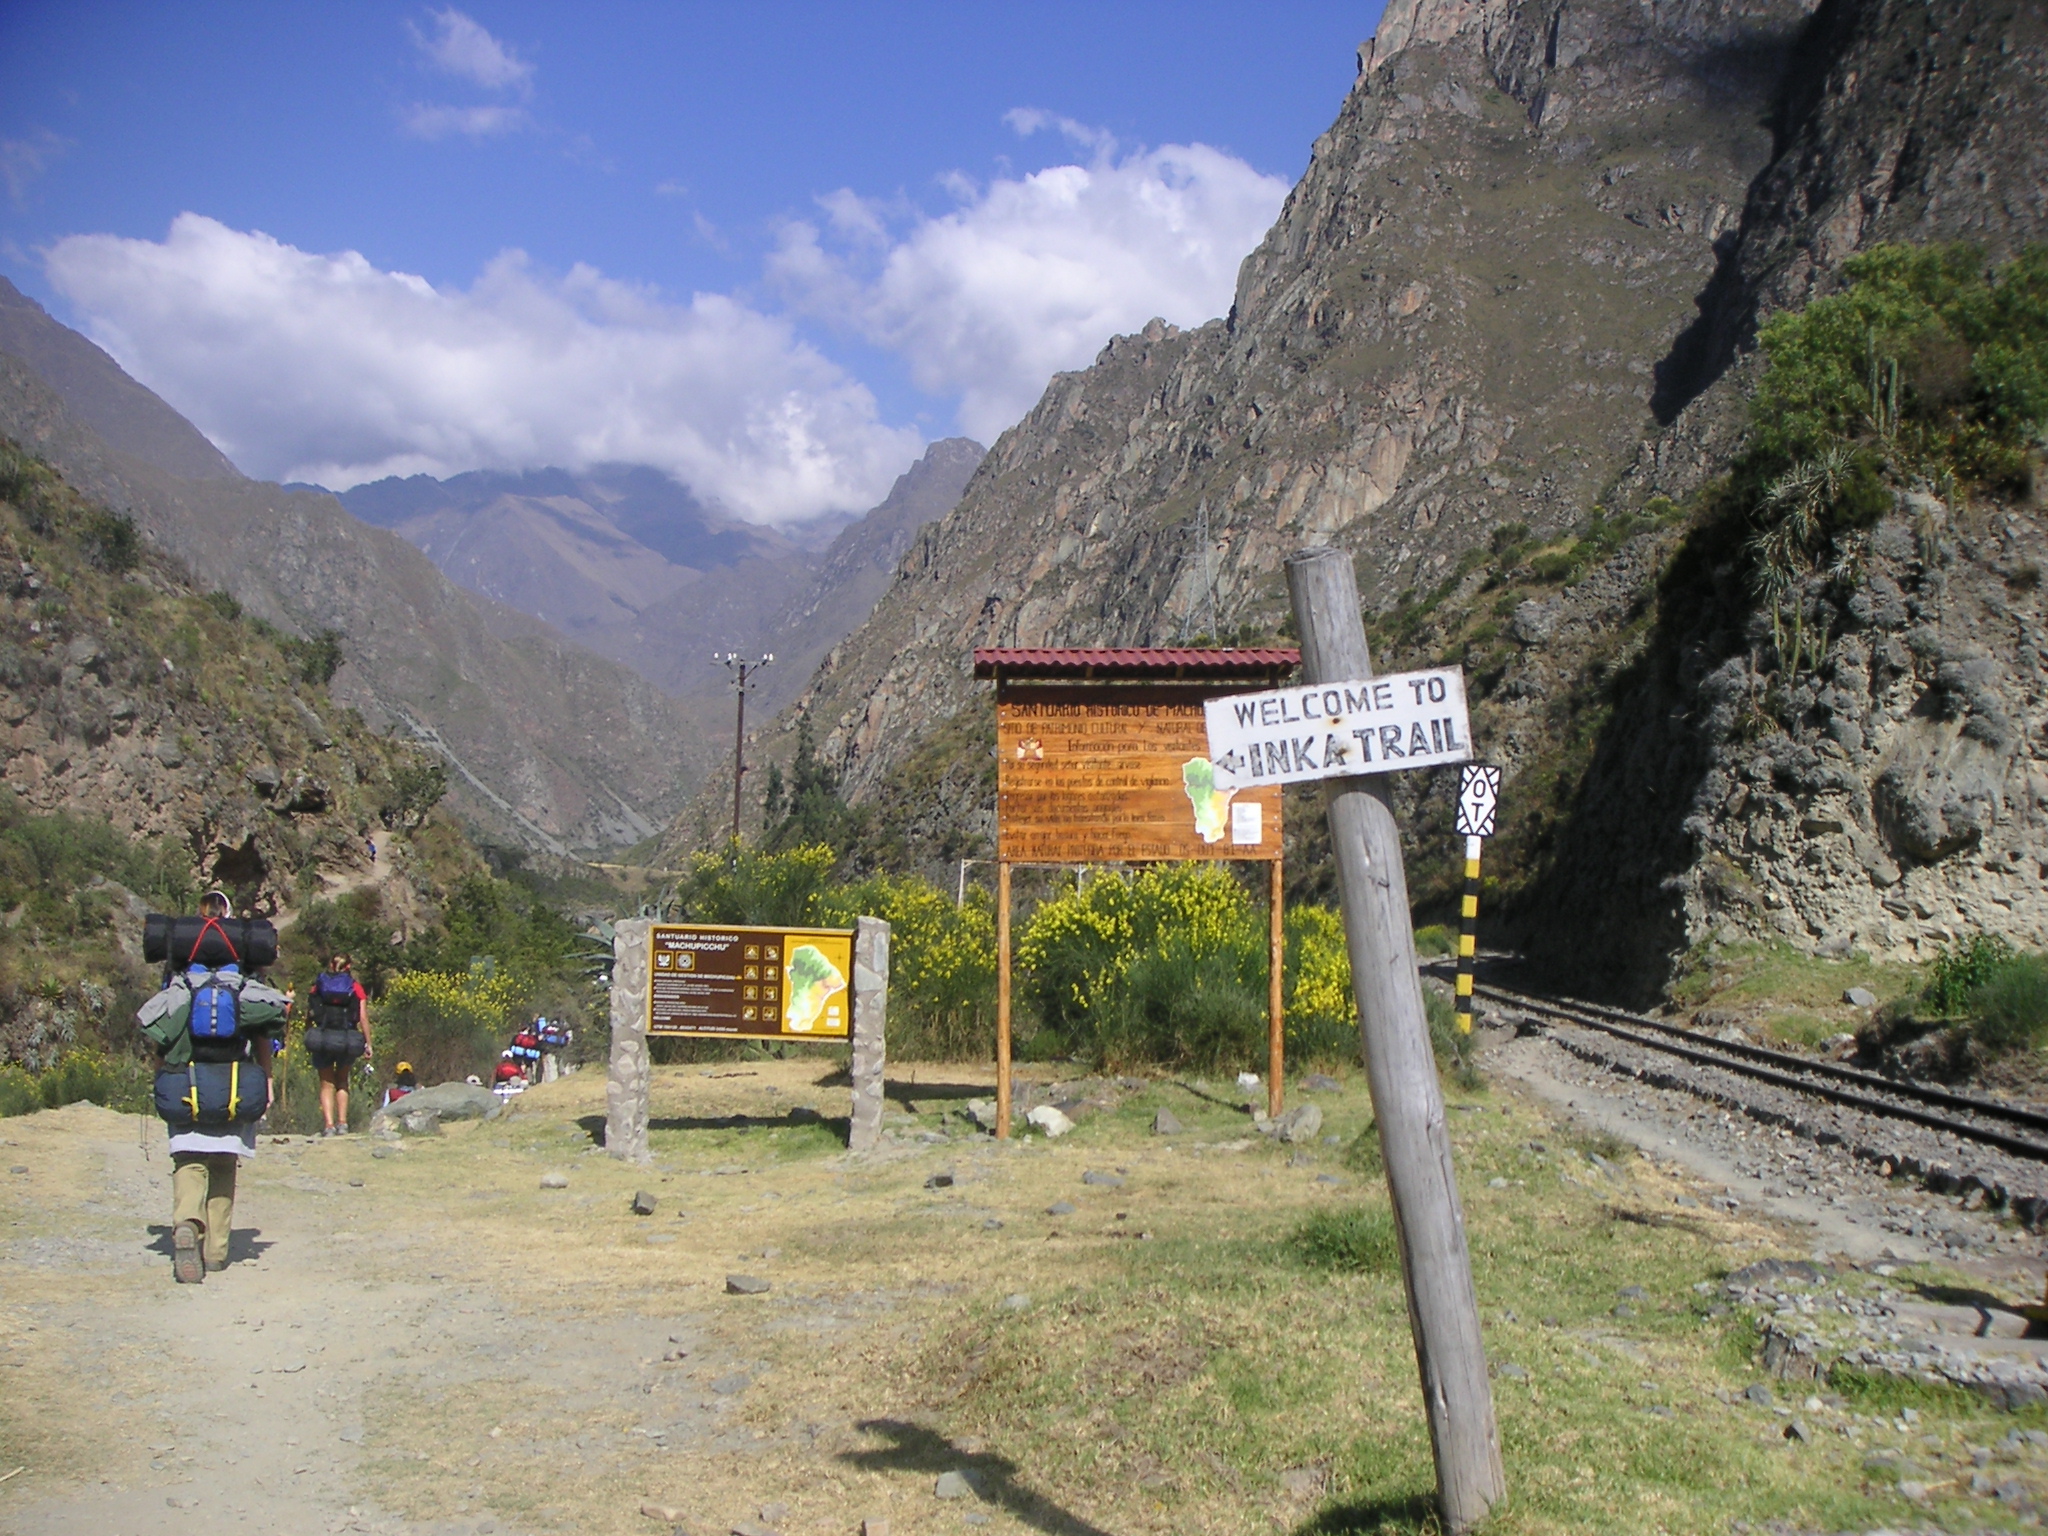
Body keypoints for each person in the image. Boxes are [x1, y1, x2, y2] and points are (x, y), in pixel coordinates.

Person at [138, 890, 289, 1283]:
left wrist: (160, 1076)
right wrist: (268, 1081)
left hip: (184, 1084)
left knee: (188, 1160)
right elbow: (262, 1039)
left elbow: (160, 1040)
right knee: (223, 1162)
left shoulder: (180, 986)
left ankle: (187, 1221)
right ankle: (217, 1250)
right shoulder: (244, 987)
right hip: (233, 1087)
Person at [305, 954, 371, 1135]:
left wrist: (308, 1033)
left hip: (323, 1038)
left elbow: (310, 1012)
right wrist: (368, 1043)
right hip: (347, 1038)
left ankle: (329, 1125)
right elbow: (363, 1017)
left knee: (326, 1083)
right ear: (348, 966)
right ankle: (343, 1123)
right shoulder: (355, 987)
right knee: (342, 1081)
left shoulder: (319, 984)